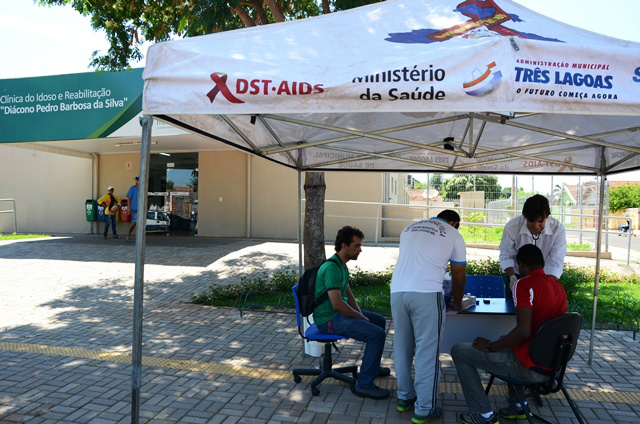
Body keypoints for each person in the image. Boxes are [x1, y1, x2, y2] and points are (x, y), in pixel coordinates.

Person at [451, 244, 568, 424]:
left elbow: (523, 331)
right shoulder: (558, 286)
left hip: (528, 368)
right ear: (543, 263)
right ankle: (518, 406)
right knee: (505, 340)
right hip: (552, 367)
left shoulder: (524, 284)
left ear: (520, 264)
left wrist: (490, 347)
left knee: (459, 351)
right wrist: (498, 343)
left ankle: (482, 414)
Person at [390, 210, 467, 424]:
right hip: (426, 294)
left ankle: (404, 398)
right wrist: (457, 301)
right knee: (427, 351)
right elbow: (459, 276)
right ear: (454, 222)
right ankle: (424, 409)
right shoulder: (453, 234)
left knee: (402, 347)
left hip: (397, 292)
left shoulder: (409, 228)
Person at [313, 226, 391, 400]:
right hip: (329, 320)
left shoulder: (342, 265)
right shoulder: (332, 268)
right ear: (344, 245)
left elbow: (348, 295)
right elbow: (338, 305)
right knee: (376, 335)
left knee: (378, 321)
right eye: (356, 246)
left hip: (337, 314)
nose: (360, 249)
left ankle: (372, 367)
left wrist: (361, 314)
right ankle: (364, 385)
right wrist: (361, 317)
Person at [499, 194, 566, 299]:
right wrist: (512, 278)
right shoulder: (511, 227)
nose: (536, 226)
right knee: (512, 311)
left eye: (540, 221)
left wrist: (547, 286)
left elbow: (556, 261)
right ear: (525, 217)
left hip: (545, 276)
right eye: (531, 221)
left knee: (542, 310)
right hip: (516, 275)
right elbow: (506, 254)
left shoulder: (558, 229)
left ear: (547, 217)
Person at [126, 176, 140, 242]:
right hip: (134, 207)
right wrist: (128, 207)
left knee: (140, 223)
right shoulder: (133, 188)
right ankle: (129, 234)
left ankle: (139, 236)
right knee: (134, 222)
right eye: (137, 180)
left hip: (141, 208)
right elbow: (129, 198)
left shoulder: (143, 189)